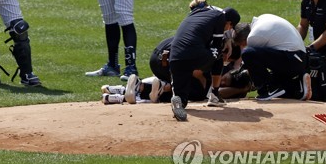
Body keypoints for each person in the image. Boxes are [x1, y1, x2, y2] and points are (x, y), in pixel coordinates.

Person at [101, 37, 250, 104]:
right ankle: (146, 87)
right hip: (168, 61)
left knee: (188, 89)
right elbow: (195, 72)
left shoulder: (210, 36)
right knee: (195, 92)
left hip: (161, 54)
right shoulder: (214, 54)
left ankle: (122, 92)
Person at [168, 3, 241, 121]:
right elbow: (216, 46)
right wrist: (224, 46)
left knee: (182, 100)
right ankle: (214, 95)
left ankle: (179, 101)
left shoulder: (198, 13)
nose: (227, 30)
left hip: (175, 57)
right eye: (230, 27)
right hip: (194, 55)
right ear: (229, 23)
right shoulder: (220, 18)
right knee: (218, 55)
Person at [234, 14, 312, 102]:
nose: (242, 47)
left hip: (293, 60)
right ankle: (297, 87)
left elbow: (251, 61)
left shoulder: (253, 37)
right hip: (298, 59)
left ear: (245, 39)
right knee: (276, 84)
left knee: (247, 53)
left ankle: (268, 89)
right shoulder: (261, 19)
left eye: (242, 44)